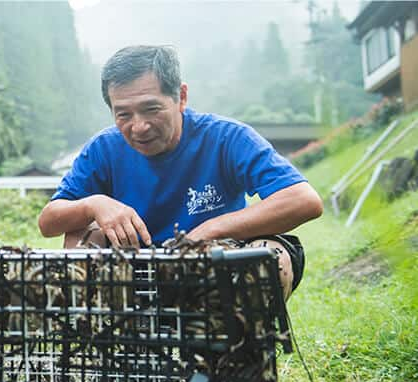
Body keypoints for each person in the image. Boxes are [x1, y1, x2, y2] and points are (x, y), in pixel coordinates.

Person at [38, 45, 323, 300]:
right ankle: (115, 350)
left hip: (215, 266)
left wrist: (210, 230)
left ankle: (237, 355)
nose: (139, 127)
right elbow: (49, 222)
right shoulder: (103, 149)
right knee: (81, 235)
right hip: (136, 271)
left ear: (181, 97)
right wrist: (94, 204)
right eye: (123, 114)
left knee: (270, 257)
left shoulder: (227, 138)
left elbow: (303, 200)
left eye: (151, 109)